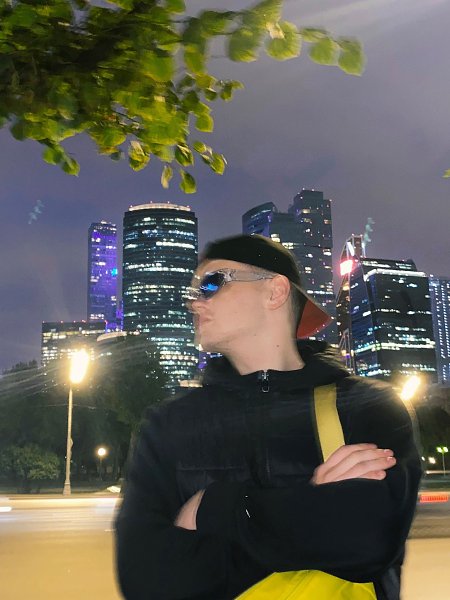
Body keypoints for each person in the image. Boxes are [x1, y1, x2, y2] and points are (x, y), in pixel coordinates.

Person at [115, 234, 422, 600]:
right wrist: (313, 510)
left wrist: (213, 509)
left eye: (211, 283)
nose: (194, 303)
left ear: (275, 292)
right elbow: (145, 579)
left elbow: (370, 540)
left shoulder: (368, 406)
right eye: (192, 293)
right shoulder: (167, 424)